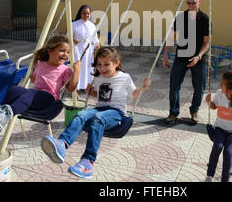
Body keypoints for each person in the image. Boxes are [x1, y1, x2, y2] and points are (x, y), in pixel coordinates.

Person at [40, 46, 151, 179]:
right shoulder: (98, 77)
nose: (102, 68)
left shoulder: (124, 77)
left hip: (116, 113)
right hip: (100, 109)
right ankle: (62, 144)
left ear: (117, 63)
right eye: (99, 64)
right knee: (81, 114)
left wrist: (143, 88)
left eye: (106, 64)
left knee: (98, 118)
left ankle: (88, 162)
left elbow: (134, 94)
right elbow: (101, 96)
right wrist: (90, 92)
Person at [0, 35, 81, 140]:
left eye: (68, 52)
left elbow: (71, 88)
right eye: (62, 50)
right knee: (14, 90)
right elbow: (33, 79)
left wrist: (77, 70)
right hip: (34, 97)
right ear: (50, 51)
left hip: (49, 100)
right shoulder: (40, 64)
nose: (66, 55)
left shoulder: (65, 70)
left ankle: (6, 116)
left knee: (29, 93)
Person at [163, 0, 210, 125]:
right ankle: (173, 112)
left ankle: (194, 111)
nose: (191, 5)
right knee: (174, 86)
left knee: (199, 87)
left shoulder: (205, 19)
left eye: (193, 3)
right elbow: (171, 38)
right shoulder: (180, 17)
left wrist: (198, 56)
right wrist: (165, 55)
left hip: (199, 59)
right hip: (181, 57)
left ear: (199, 2)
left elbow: (206, 42)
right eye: (188, 3)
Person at [72, 5, 100, 92]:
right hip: (78, 51)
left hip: (88, 51)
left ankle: (85, 87)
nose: (86, 15)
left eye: (88, 13)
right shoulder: (74, 24)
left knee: (87, 69)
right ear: (80, 14)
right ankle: (75, 87)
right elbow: (67, 38)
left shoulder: (92, 26)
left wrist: (99, 48)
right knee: (78, 69)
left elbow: (95, 40)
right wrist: (73, 40)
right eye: (84, 13)